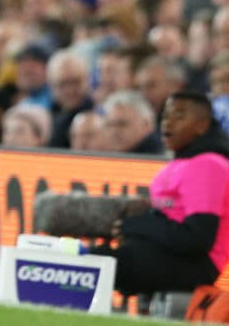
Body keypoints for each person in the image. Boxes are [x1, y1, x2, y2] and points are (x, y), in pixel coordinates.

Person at [92, 92, 229, 294]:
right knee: (96, 258)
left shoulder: (209, 165)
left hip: (196, 265)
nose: (168, 123)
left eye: (179, 116)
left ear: (202, 126)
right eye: (166, 116)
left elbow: (197, 238)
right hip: (165, 254)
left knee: (96, 264)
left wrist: (140, 226)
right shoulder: (180, 163)